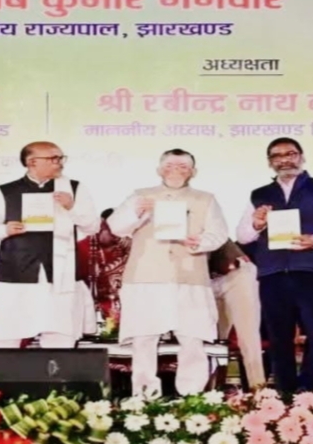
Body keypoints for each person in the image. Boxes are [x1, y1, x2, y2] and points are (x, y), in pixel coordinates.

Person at [235, 137, 313, 392]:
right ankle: (286, 394)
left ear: (301, 157)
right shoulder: (259, 195)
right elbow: (243, 236)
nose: (284, 160)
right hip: (272, 274)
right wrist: (257, 224)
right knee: (278, 338)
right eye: (277, 156)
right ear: (269, 162)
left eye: (290, 154)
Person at [107, 149, 228, 396]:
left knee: (192, 339)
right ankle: (144, 398)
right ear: (159, 170)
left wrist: (198, 242)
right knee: (144, 339)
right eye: (170, 166)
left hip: (190, 277)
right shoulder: (140, 196)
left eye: (183, 167)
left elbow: (218, 234)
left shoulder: (205, 199)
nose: (176, 171)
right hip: (145, 277)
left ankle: (192, 398)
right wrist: (137, 212)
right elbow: (116, 227)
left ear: (193, 172)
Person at [0, 141, 101, 348]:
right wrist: (5, 230)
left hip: (60, 273)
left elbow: (93, 226)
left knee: (60, 337)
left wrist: (71, 207)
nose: (60, 163)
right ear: (32, 162)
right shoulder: (7, 191)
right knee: (5, 335)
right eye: (53, 159)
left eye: (61, 158)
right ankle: (5, 370)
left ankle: (56, 370)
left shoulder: (73, 189)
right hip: (16, 271)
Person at [209, 240, 266, 389]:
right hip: (204, 280)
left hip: (236, 273)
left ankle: (258, 390)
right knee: (209, 340)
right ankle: (212, 393)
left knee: (248, 336)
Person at [76, 208, 132, 320]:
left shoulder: (130, 247)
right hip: (92, 312)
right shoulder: (81, 249)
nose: (118, 235)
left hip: (126, 311)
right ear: (102, 225)